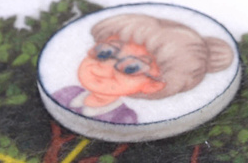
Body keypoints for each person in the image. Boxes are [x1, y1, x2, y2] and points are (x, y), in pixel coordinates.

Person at [52, 13, 235, 125]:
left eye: (131, 67)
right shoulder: (67, 94)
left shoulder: (123, 119)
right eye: (104, 52)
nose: (106, 66)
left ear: (153, 85)